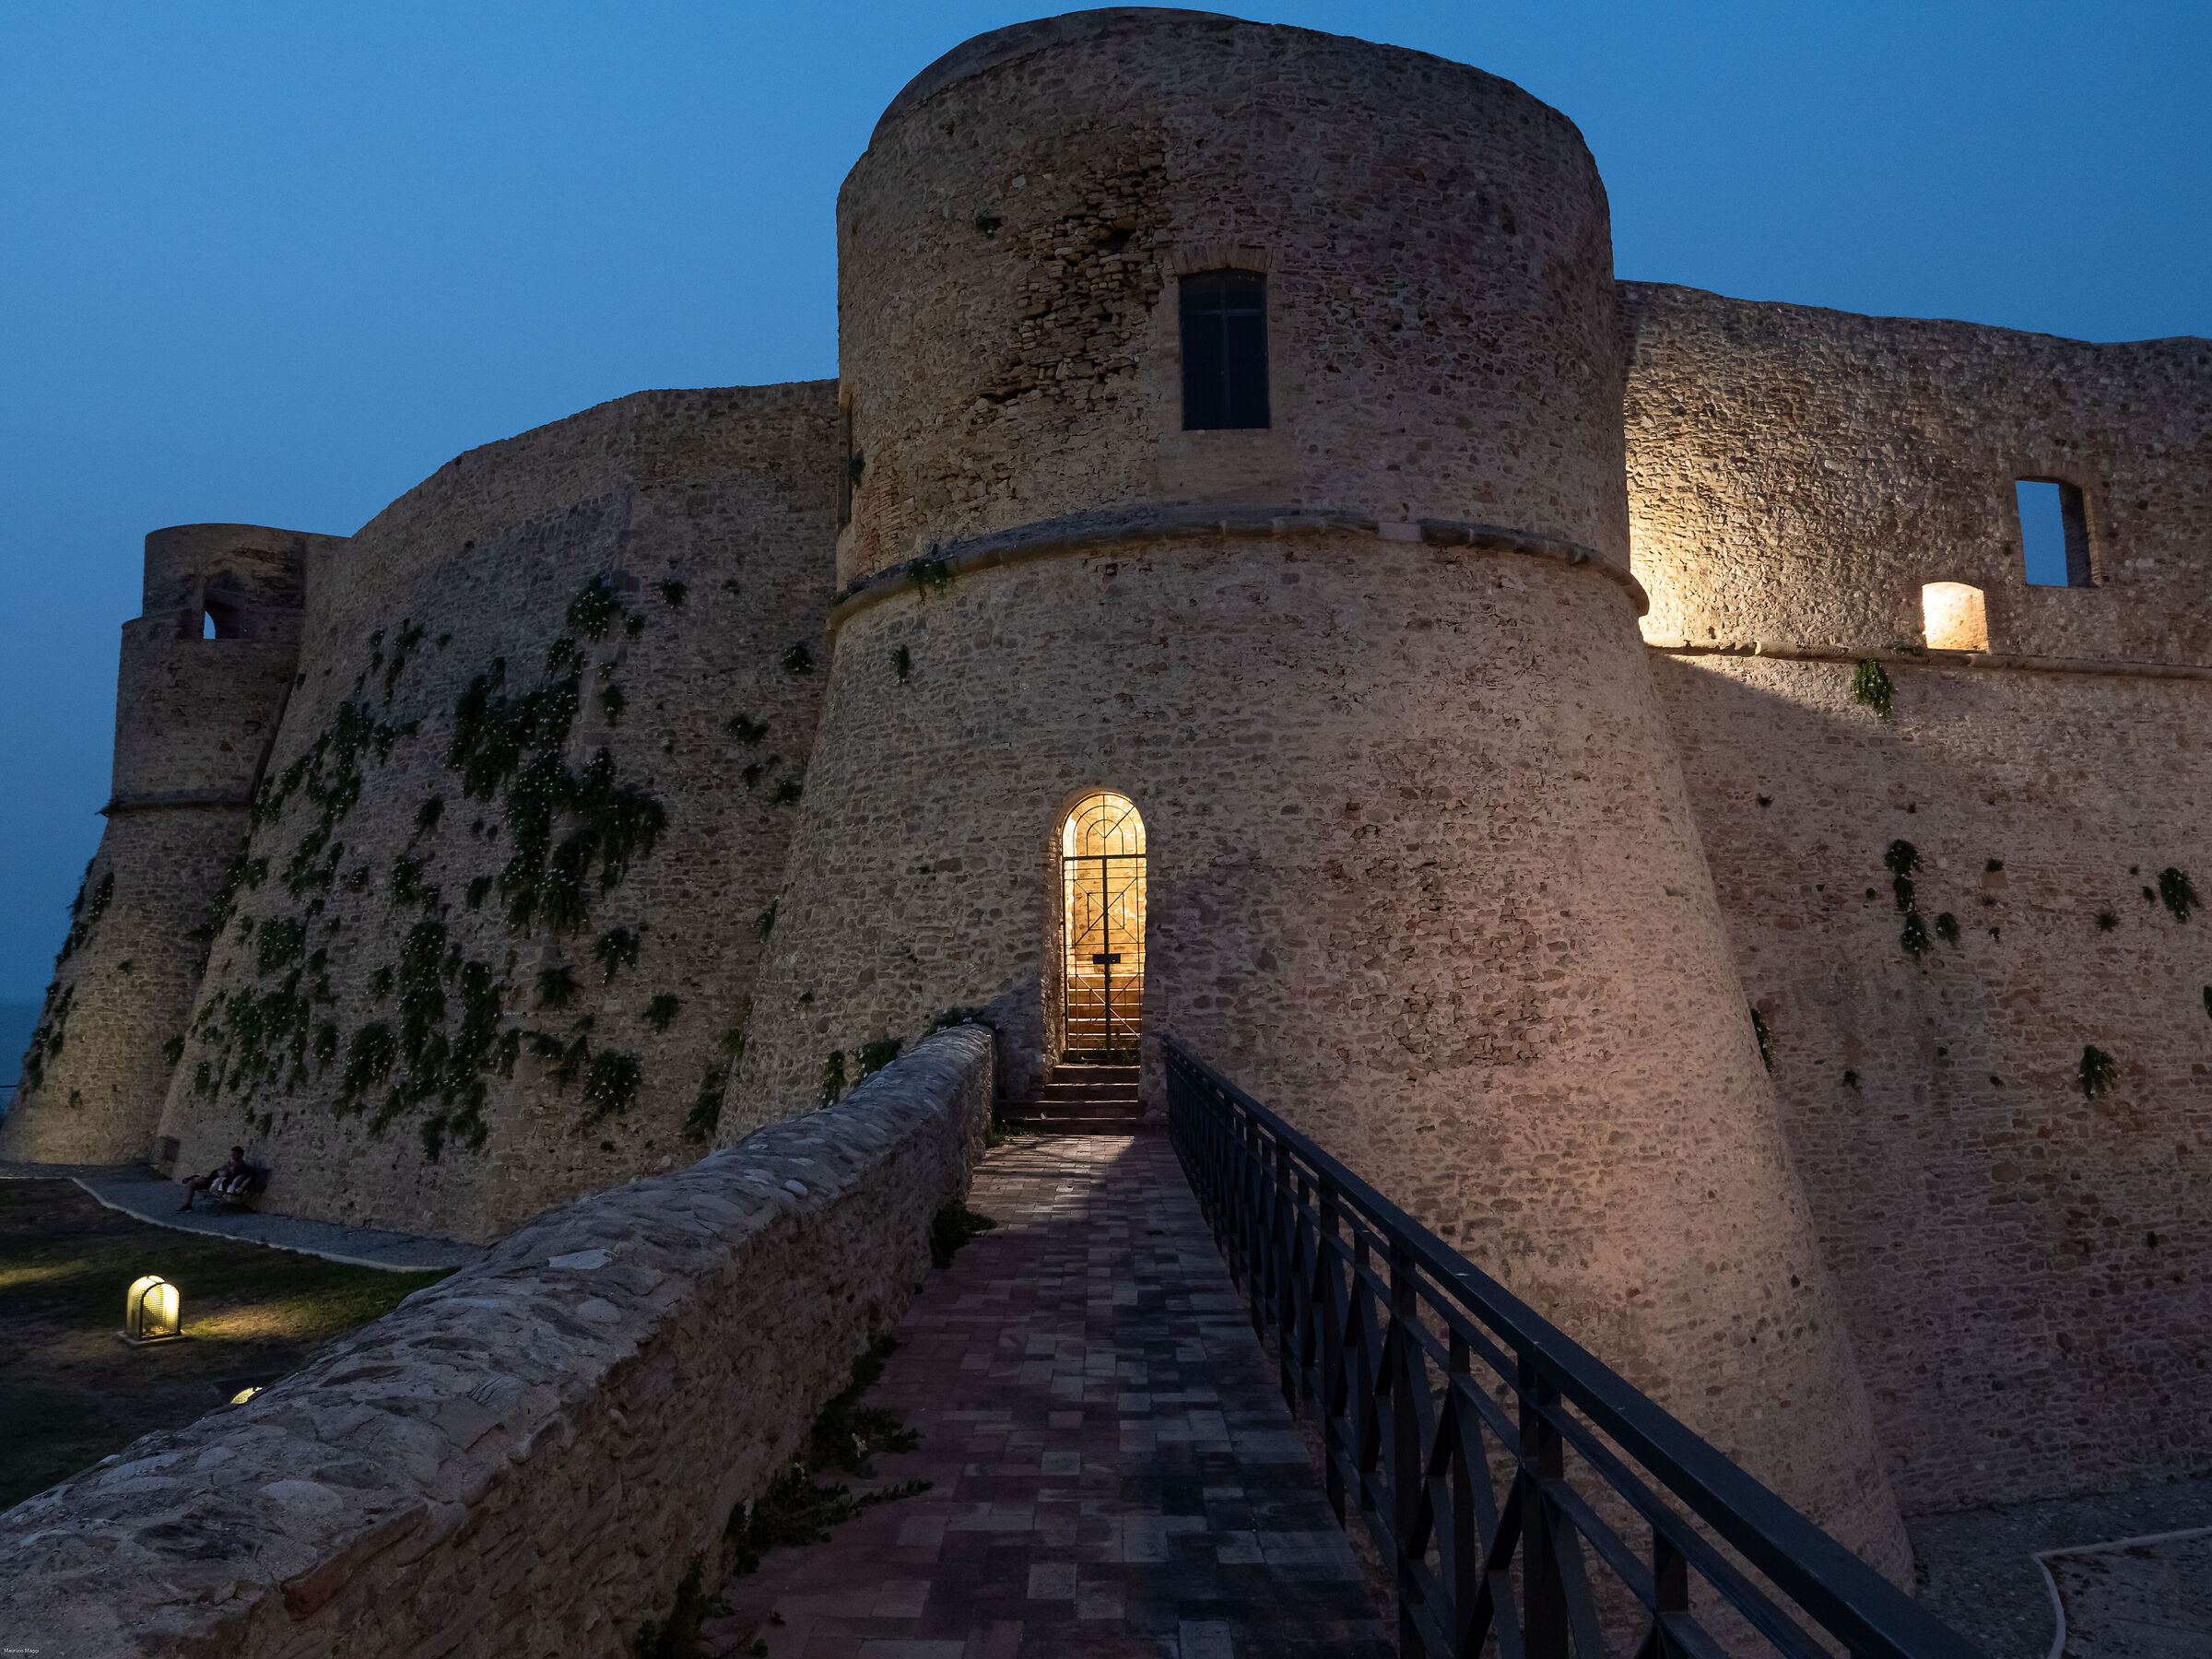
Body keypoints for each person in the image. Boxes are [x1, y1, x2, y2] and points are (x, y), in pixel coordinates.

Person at [180, 1146, 252, 1211]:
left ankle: (192, 1179)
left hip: (214, 1182)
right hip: (213, 1177)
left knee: (193, 1182)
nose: (233, 1157)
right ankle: (188, 1204)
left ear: (240, 1155)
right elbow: (223, 1168)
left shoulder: (242, 1167)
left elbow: (230, 1177)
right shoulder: (232, 1162)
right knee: (193, 1182)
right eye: (232, 1155)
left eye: (234, 1155)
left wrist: (227, 1172)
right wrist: (223, 1168)